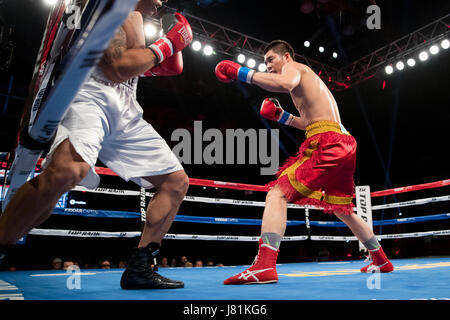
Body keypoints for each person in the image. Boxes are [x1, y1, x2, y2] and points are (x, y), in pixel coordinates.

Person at [0, 0, 193, 290]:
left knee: (176, 182)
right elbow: (116, 67)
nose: (163, 2)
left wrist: (166, 49)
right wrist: (167, 45)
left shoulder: (138, 18)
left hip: (125, 105)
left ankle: (141, 267)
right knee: (68, 172)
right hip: (91, 94)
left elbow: (150, 67)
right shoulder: (112, 6)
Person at [215, 40, 393, 285]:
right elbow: (310, 121)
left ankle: (264, 266)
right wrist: (282, 116)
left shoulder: (295, 69)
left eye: (270, 60)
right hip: (342, 142)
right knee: (343, 209)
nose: (267, 66)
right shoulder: (307, 82)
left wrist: (242, 73)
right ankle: (381, 259)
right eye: (265, 62)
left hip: (328, 143)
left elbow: (284, 83)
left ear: (286, 56)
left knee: (277, 193)